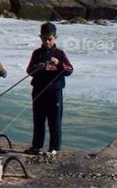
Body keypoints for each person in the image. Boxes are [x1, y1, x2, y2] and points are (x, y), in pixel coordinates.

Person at [25, 22, 73, 155]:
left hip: (55, 92)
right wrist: (37, 68)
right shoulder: (37, 53)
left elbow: (69, 70)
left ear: (55, 38)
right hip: (39, 91)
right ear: (40, 37)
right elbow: (29, 71)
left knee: (55, 121)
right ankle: (36, 146)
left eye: (50, 39)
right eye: (44, 39)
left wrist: (59, 64)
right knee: (38, 120)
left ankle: (54, 148)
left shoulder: (60, 53)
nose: (47, 42)